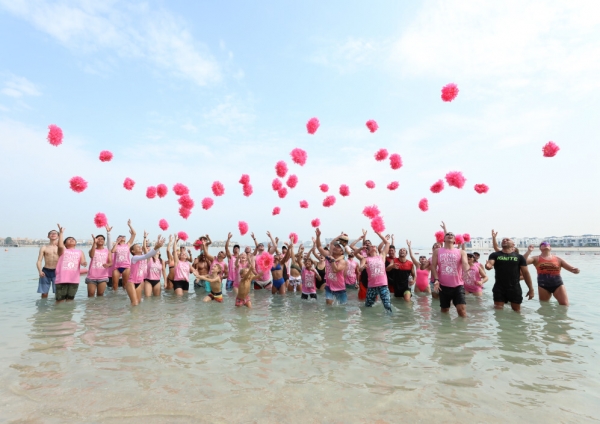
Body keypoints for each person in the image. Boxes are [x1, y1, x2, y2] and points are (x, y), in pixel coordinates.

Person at [485, 236, 534, 312]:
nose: (505, 240)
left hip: (514, 288)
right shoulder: (495, 255)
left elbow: (526, 273)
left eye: (507, 240)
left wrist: (531, 289)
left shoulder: (519, 257)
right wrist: (488, 266)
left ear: (513, 244)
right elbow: (490, 264)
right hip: (499, 287)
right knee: (498, 311)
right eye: (503, 240)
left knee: (517, 311)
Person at [524, 241, 580, 306]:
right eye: (543, 244)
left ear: (550, 248)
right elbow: (523, 262)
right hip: (543, 286)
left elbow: (572, 269)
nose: (545, 245)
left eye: (547, 244)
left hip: (558, 285)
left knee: (564, 305)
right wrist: (529, 251)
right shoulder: (536, 258)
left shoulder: (558, 259)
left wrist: (576, 270)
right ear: (540, 248)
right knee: (544, 307)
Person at [431, 227, 469, 317]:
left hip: (458, 286)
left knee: (462, 311)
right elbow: (433, 266)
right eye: (447, 234)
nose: (450, 235)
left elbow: (465, 263)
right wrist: (436, 279)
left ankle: (464, 329)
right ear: (443, 239)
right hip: (443, 286)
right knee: (444, 310)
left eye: (452, 235)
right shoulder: (437, 251)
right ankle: (446, 330)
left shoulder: (461, 252)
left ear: (455, 240)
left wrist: (466, 271)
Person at [355, 230, 392, 312]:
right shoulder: (365, 259)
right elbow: (359, 265)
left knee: (387, 305)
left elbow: (387, 244)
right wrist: (362, 267)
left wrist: (379, 234)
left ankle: (389, 322)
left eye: (374, 246)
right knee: (368, 306)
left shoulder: (381, 256)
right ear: (368, 251)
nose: (373, 246)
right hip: (372, 286)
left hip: (383, 285)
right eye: (371, 246)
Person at [126, 235, 166, 305]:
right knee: (134, 303)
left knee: (139, 302)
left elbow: (151, 254)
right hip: (131, 283)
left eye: (140, 246)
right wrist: (156, 247)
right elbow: (146, 255)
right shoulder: (135, 258)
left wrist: (158, 246)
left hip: (138, 283)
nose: (140, 247)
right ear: (133, 251)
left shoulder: (144, 259)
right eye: (137, 247)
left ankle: (137, 315)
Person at [55, 224, 87, 302]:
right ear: (65, 244)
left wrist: (84, 263)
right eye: (69, 239)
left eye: (73, 239)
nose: (71, 240)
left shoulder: (80, 252)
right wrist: (61, 233)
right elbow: (60, 246)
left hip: (74, 279)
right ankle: (58, 313)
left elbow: (83, 261)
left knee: (70, 300)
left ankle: (69, 314)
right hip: (62, 278)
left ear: (76, 243)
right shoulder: (63, 251)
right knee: (60, 300)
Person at [315, 228, 348, 305]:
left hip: (340, 288)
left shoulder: (342, 261)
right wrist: (318, 236)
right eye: (335, 246)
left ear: (342, 252)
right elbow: (319, 247)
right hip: (329, 287)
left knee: (342, 309)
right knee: (329, 307)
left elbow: (335, 270)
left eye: (338, 247)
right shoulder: (328, 256)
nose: (335, 247)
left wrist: (333, 260)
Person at [86, 227, 113, 297]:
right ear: (95, 240)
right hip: (92, 276)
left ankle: (100, 307)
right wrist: (94, 243)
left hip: (103, 276)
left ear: (104, 241)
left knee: (100, 294)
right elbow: (91, 255)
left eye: (102, 239)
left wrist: (108, 264)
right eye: (98, 239)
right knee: (91, 294)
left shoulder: (108, 251)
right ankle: (90, 307)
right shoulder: (93, 250)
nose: (100, 240)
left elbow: (111, 262)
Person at [110, 219, 136, 291]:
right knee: (115, 285)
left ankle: (124, 300)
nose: (122, 237)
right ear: (117, 238)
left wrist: (129, 225)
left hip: (126, 267)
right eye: (120, 236)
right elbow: (113, 251)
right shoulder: (116, 246)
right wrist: (116, 242)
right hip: (116, 267)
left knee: (125, 284)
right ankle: (115, 299)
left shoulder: (127, 245)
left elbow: (134, 234)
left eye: (123, 236)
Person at [36, 229, 59, 298]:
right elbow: (39, 261)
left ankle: (57, 308)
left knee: (58, 293)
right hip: (46, 271)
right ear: (48, 236)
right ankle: (43, 308)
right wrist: (40, 271)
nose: (53, 234)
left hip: (57, 271)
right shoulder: (44, 247)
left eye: (55, 233)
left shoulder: (61, 247)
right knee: (44, 293)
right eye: (51, 233)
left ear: (58, 236)